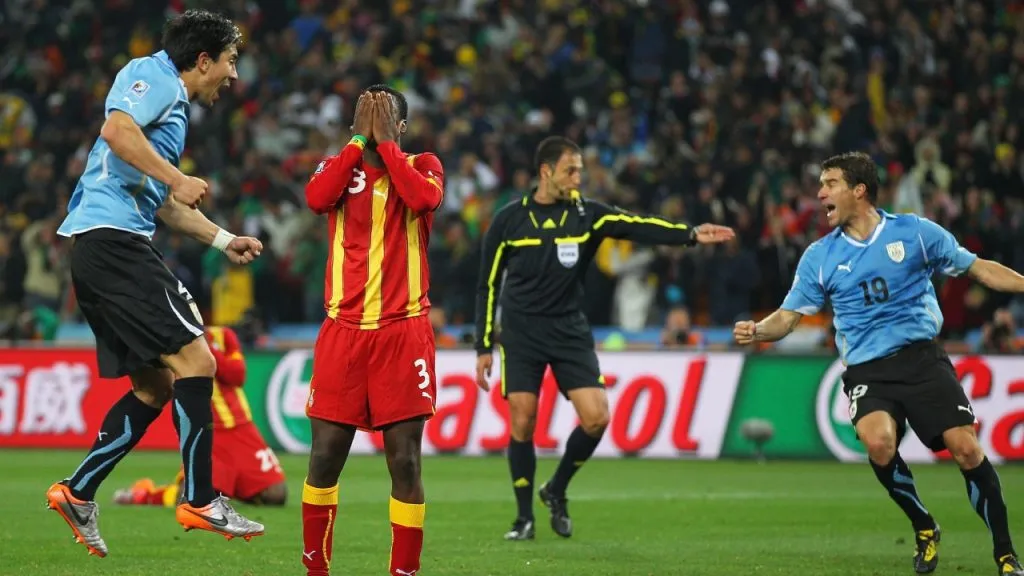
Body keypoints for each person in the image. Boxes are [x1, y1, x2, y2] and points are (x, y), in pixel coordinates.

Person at [733, 151, 1023, 576]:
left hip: (922, 359)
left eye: (830, 183)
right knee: (878, 443)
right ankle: (924, 526)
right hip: (868, 370)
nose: (820, 193)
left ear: (859, 190)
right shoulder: (820, 256)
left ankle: (1005, 555)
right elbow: (788, 317)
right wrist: (758, 331)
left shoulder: (915, 233)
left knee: (966, 448)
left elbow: (977, 269)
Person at [44, 10, 266, 558]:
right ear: (203, 60)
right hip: (113, 244)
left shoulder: (172, 110)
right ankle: (200, 497)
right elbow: (115, 130)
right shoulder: (156, 77)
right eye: (231, 62)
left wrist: (222, 240)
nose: (234, 76)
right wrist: (177, 175)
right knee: (200, 363)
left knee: (155, 387)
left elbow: (166, 204)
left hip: (101, 249)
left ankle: (78, 492)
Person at [474, 136, 734, 541]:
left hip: (568, 330)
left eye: (579, 169)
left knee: (597, 418)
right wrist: (483, 344)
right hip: (522, 333)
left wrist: (689, 234)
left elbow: (635, 225)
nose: (578, 178)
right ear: (546, 172)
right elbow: (487, 285)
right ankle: (523, 518)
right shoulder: (510, 220)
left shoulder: (587, 216)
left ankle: (555, 489)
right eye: (570, 170)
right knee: (523, 420)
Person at [300, 87, 443, 576]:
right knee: (324, 456)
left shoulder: (423, 164)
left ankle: (404, 573)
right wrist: (360, 142)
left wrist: (385, 147)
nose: (375, 128)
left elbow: (424, 199)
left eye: (386, 122)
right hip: (344, 331)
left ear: (401, 128)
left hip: (403, 332)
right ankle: (315, 569)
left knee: (404, 462)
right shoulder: (337, 168)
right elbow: (316, 199)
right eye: (364, 121)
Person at [112, 325, 287, 507]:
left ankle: (232, 485)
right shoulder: (172, 338)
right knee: (191, 497)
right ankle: (144, 494)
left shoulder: (222, 335)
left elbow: (237, 375)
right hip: (208, 429)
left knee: (276, 495)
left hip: (240, 428)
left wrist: (205, 349)